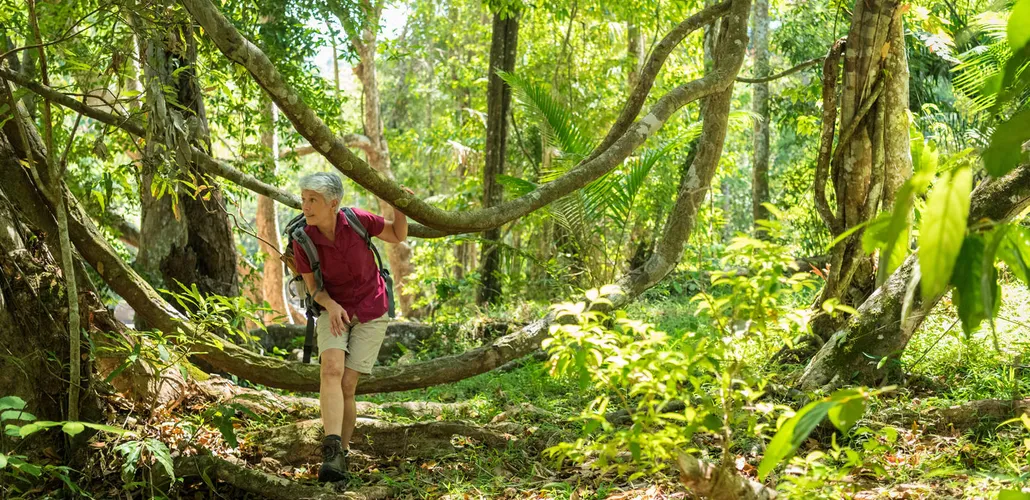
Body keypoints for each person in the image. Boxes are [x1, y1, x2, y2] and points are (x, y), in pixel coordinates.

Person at [291, 172, 409, 483]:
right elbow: (314, 289)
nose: (306, 206)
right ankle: (331, 452)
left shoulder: (356, 220)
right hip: (334, 310)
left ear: (333, 203)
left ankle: (341, 455)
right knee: (331, 369)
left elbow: (397, 234)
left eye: (313, 200)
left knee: (347, 386)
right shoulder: (303, 239)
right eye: (304, 199)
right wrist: (331, 306)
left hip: (372, 309)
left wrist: (401, 204)